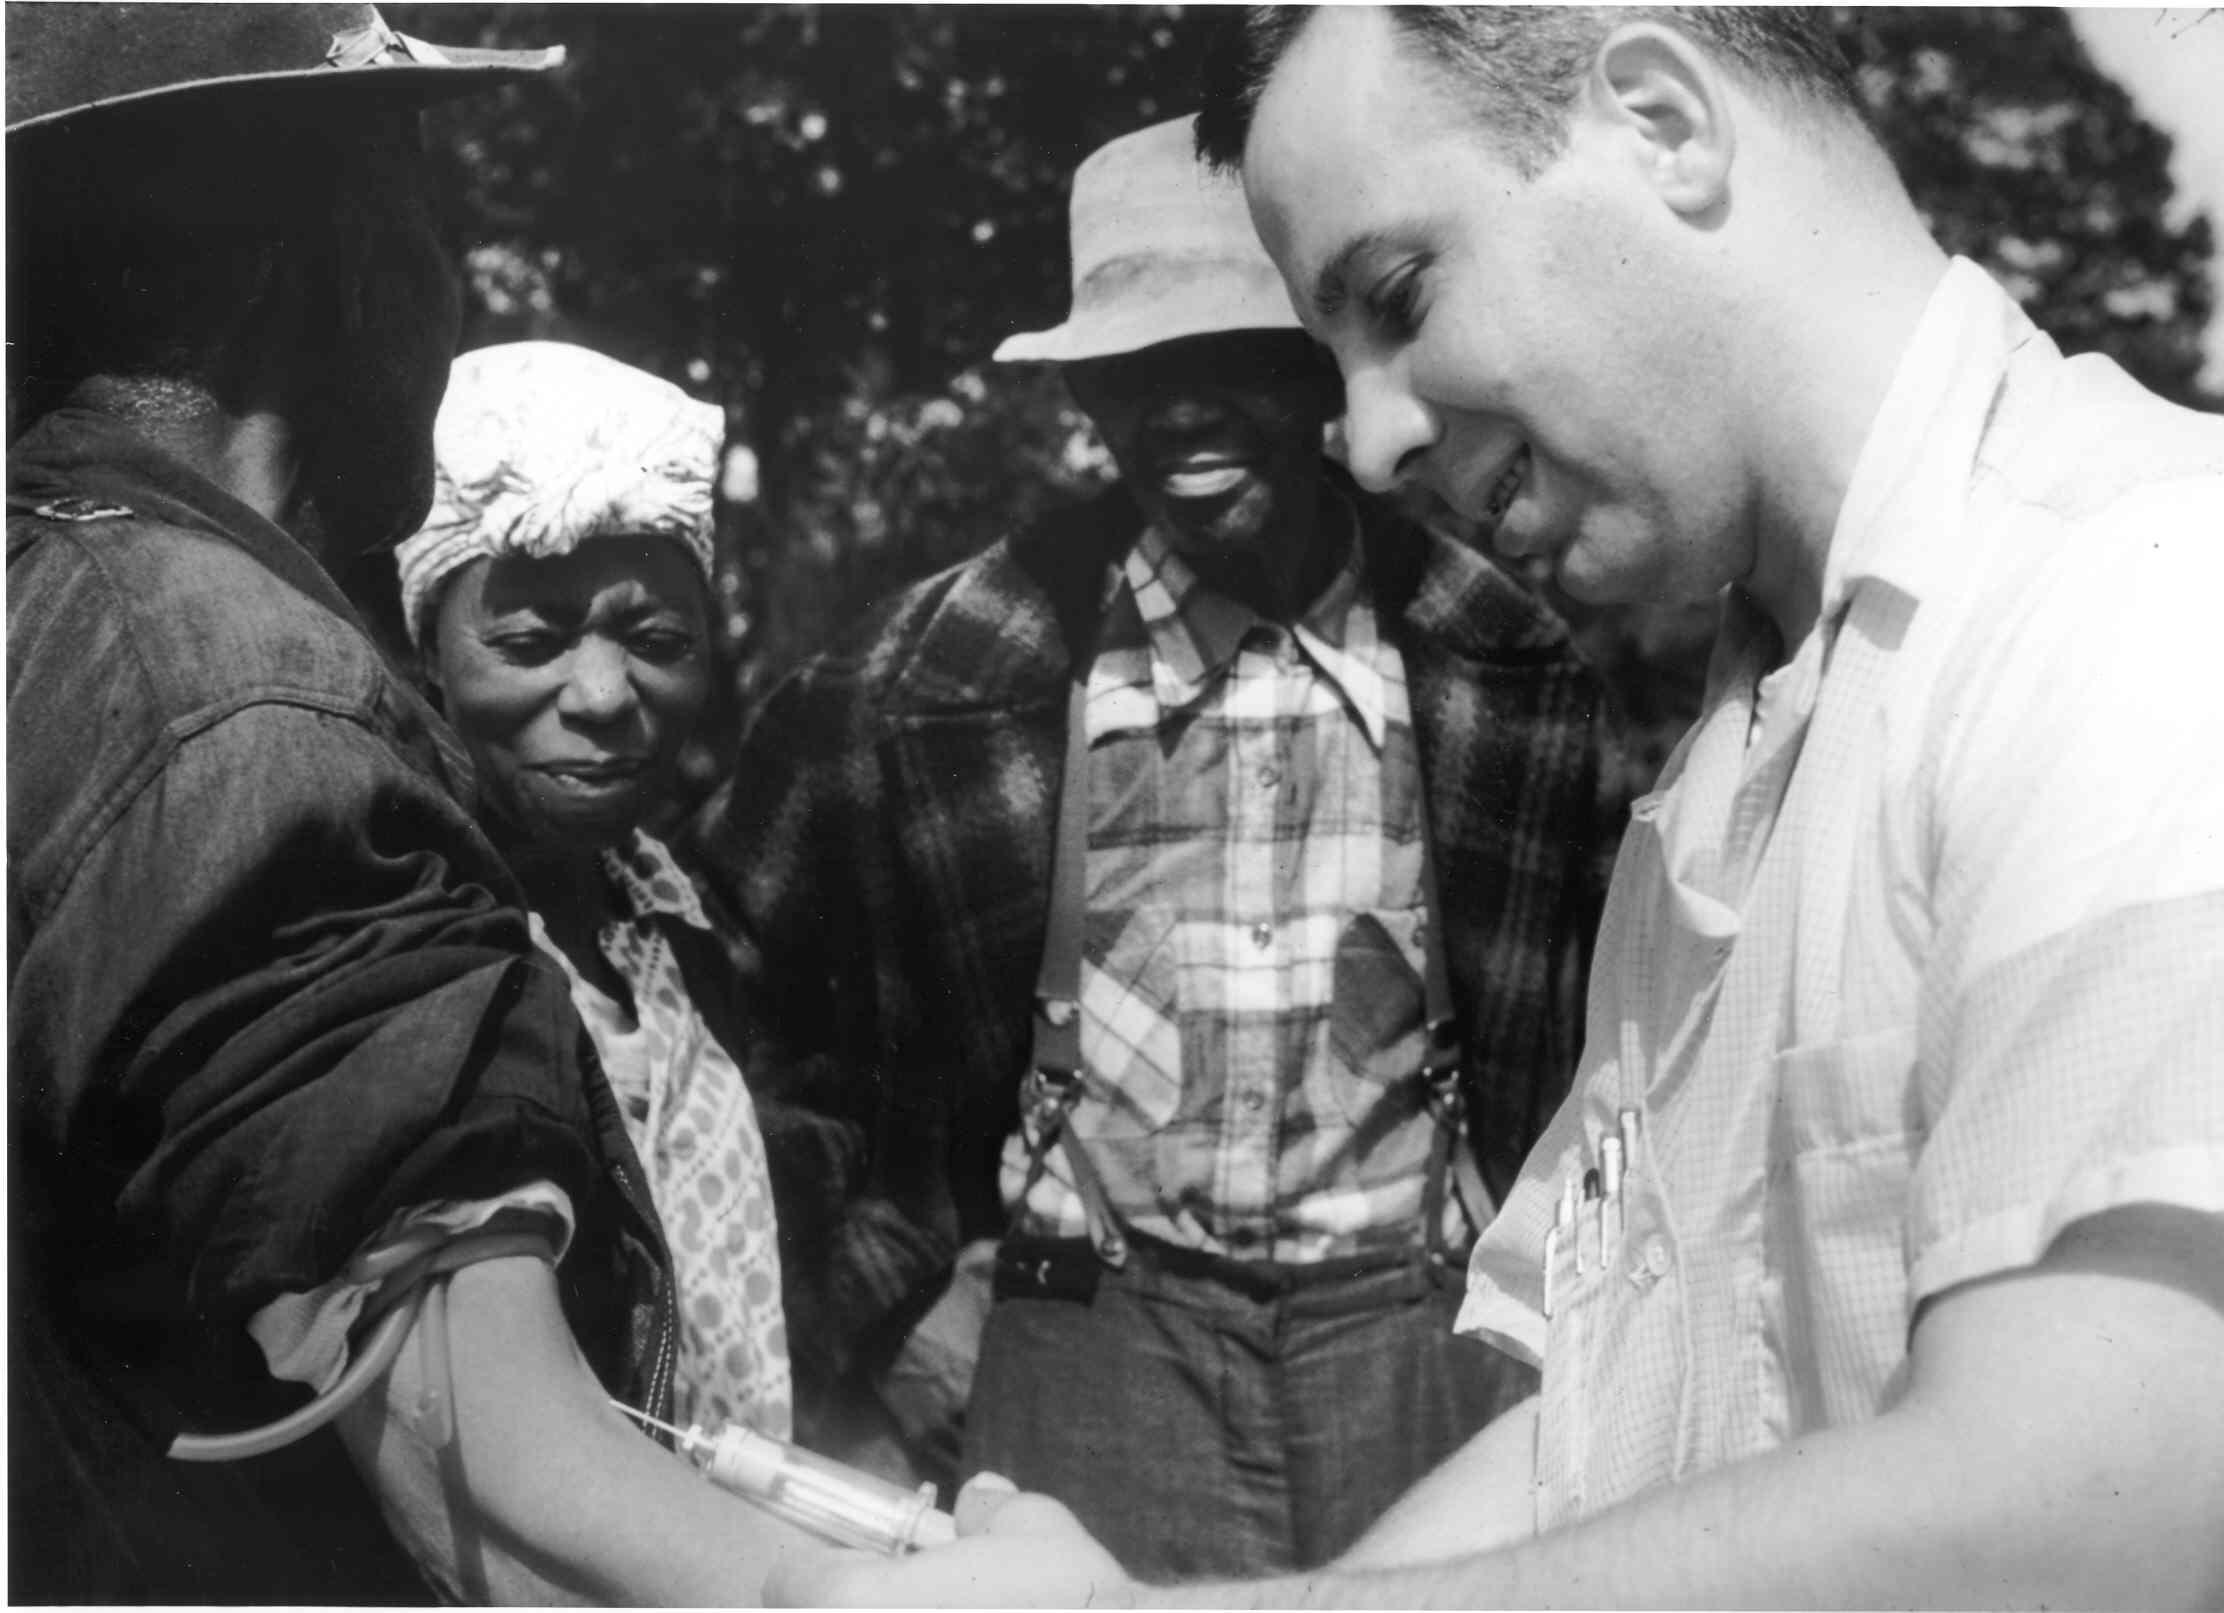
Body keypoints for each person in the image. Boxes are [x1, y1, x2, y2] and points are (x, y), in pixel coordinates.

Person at [770, 7, 2224, 1607]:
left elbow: (2119, 1505)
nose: (1372, 439)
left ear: (1663, 124)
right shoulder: (1734, 746)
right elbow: (1587, 1437)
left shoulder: (2141, 601)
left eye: (1398, 297)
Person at [698, 113, 1624, 1580]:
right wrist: (891, 1311)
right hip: (1090, 1338)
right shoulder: (936, 676)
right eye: (1133, 369)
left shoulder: (1520, 659)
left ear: (1323, 369)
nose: (1180, 411)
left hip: (1428, 1338)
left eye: (1230, 360)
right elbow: (712, 995)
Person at [8, 9, 811, 1602]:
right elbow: (494, 1484)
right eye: (436, 230)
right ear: (346, 263)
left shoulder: (45, 602)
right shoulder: (247, 699)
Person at [391, 340, 790, 1441]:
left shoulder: (678, 919)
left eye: (657, 637)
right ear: (425, 649)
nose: (606, 693)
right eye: (528, 638)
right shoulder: (398, 949)